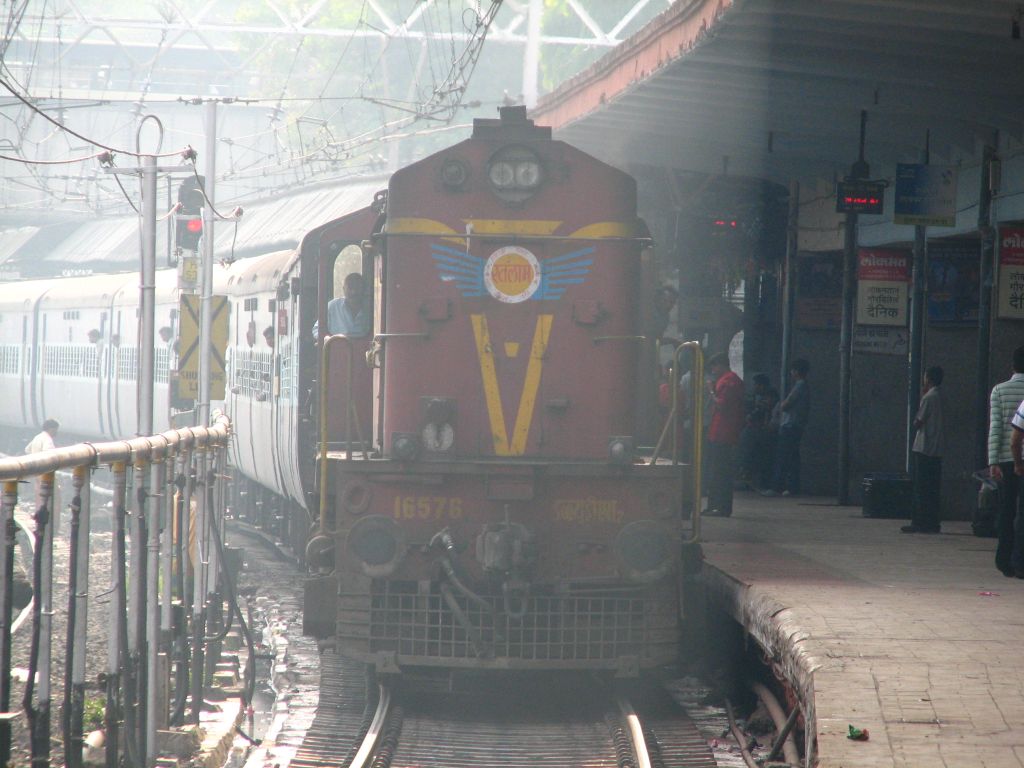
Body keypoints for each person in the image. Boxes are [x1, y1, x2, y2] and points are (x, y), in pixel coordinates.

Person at [988, 347, 1024, 576]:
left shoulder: (999, 391)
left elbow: (996, 428)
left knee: (1007, 509)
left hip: (1005, 458)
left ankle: (1004, 559)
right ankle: (1020, 559)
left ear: (1013, 365)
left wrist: (993, 461)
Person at [902, 366, 944, 534]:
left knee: (921, 487)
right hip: (937, 448)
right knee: (933, 488)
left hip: (924, 447)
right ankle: (933, 522)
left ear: (929, 379)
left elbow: (918, 422)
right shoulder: (940, 396)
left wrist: (921, 397)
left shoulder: (928, 397)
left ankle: (919, 522)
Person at [704, 353, 744, 517]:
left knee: (720, 471)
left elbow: (721, 405)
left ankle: (720, 506)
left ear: (721, 365)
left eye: (714, 366)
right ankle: (716, 505)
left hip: (722, 432)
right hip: (721, 432)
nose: (713, 370)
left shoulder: (729, 381)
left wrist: (711, 391)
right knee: (718, 470)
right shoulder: (731, 380)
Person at [764, 359, 810, 497]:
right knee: (793, 458)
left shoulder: (799, 386)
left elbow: (785, 405)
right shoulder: (804, 386)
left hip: (790, 425)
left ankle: (776, 486)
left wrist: (781, 405)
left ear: (796, 371)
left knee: (782, 456)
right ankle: (793, 487)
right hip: (797, 425)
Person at [739, 373, 779, 490]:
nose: (754, 387)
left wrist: (751, 415)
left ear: (761, 385)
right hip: (761, 431)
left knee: (763, 458)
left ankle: (761, 482)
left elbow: (763, 409)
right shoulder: (760, 396)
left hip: (766, 431)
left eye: (756, 385)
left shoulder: (770, 395)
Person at [313, 272, 370, 339]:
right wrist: (327, 339)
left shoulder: (370, 310)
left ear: (364, 290)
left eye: (357, 288)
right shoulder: (332, 306)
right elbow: (317, 329)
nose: (353, 292)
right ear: (343, 289)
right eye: (350, 288)